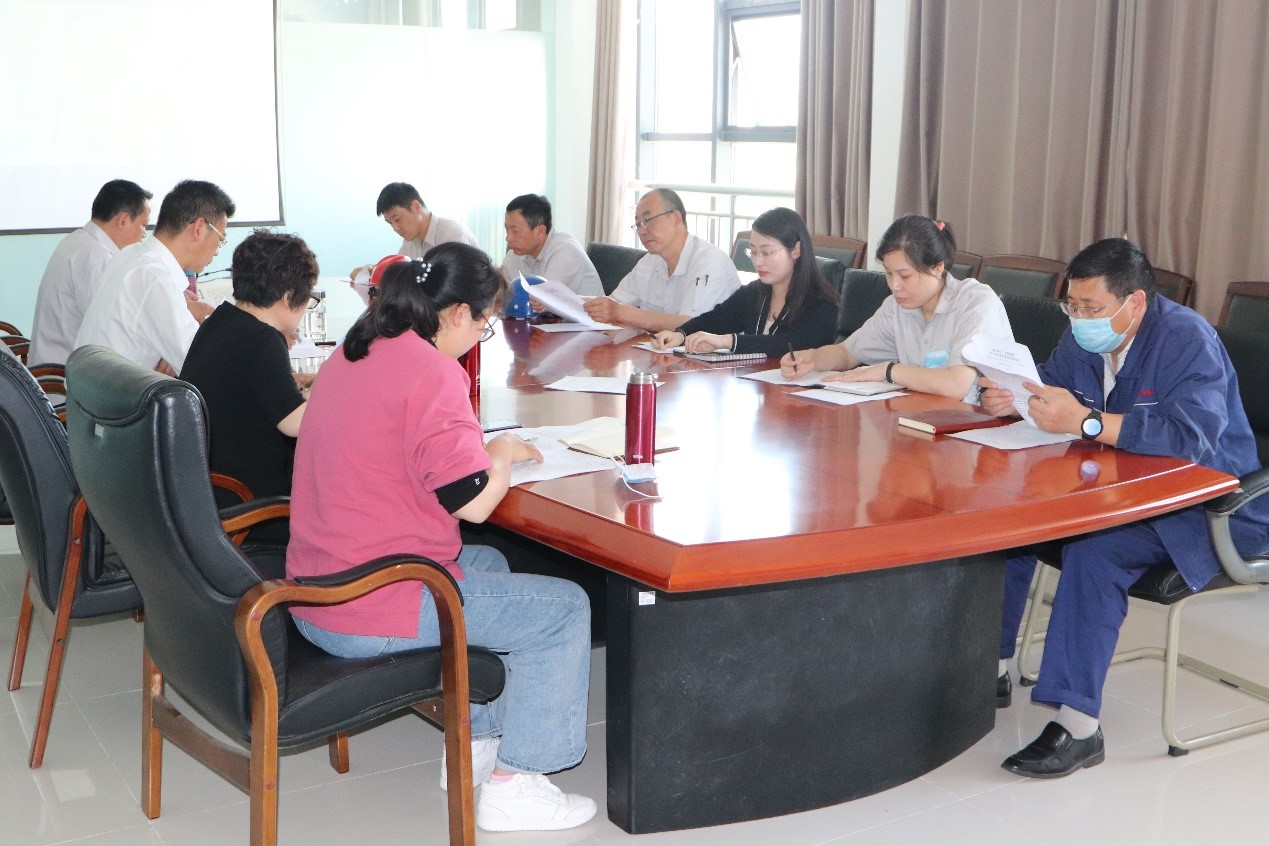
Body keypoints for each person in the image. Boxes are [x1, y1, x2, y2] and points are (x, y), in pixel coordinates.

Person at [287, 243, 597, 832]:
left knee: (491, 565)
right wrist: (499, 452)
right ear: (456, 314)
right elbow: (474, 503)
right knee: (564, 610)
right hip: (374, 603)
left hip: (317, 587)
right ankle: (518, 785)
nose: (481, 336)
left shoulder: (360, 347)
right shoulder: (432, 372)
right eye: (483, 324)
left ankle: (476, 746)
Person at [984, 238, 1269, 778]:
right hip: (1124, 490)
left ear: (1134, 302)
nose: (1079, 318)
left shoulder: (1186, 340)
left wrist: (1087, 421)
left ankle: (1078, 728)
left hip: (1210, 508)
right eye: (1072, 305)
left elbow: (1190, 440)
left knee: (1095, 551)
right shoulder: (1086, 332)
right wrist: (1016, 397)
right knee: (1013, 524)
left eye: (1091, 308)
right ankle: (991, 667)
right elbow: (1055, 383)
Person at [780, 214, 1011, 403]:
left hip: (977, 430)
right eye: (889, 274)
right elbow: (848, 353)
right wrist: (812, 358)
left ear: (938, 268)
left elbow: (955, 385)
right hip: (921, 420)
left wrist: (888, 370)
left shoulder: (976, 303)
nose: (894, 285)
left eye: (905, 275)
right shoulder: (897, 306)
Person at [179, 230, 317, 540]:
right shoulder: (263, 340)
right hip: (252, 507)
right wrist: (332, 390)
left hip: (212, 490)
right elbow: (295, 423)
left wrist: (309, 390)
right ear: (288, 296)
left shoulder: (222, 321)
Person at [76, 179, 233, 374]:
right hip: (114, 392)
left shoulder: (130, 254)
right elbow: (204, 367)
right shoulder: (155, 278)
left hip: (91, 387)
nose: (217, 251)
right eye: (221, 239)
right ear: (199, 228)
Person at [650, 207, 839, 356]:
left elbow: (790, 344)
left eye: (767, 252)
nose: (758, 261)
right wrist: (681, 334)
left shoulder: (822, 303)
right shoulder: (755, 292)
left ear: (796, 250)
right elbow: (717, 319)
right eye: (753, 252)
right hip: (757, 384)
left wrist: (728, 341)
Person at [29, 180, 153, 365]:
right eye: (143, 225)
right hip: (63, 375)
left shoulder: (80, 241)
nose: (144, 234)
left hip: (59, 367)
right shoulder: (95, 256)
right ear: (123, 220)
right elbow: (114, 330)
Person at [582, 188, 740, 331]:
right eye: (638, 225)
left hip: (712, 353)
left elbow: (690, 324)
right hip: (658, 349)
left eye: (648, 220)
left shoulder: (708, 261)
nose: (642, 231)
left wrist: (619, 312)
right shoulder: (648, 262)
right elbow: (613, 304)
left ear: (675, 218)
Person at [500, 193, 602, 296]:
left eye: (515, 231)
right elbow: (500, 294)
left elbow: (543, 299)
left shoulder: (565, 251)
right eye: (507, 229)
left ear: (540, 231)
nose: (508, 238)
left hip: (579, 307)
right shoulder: (516, 253)